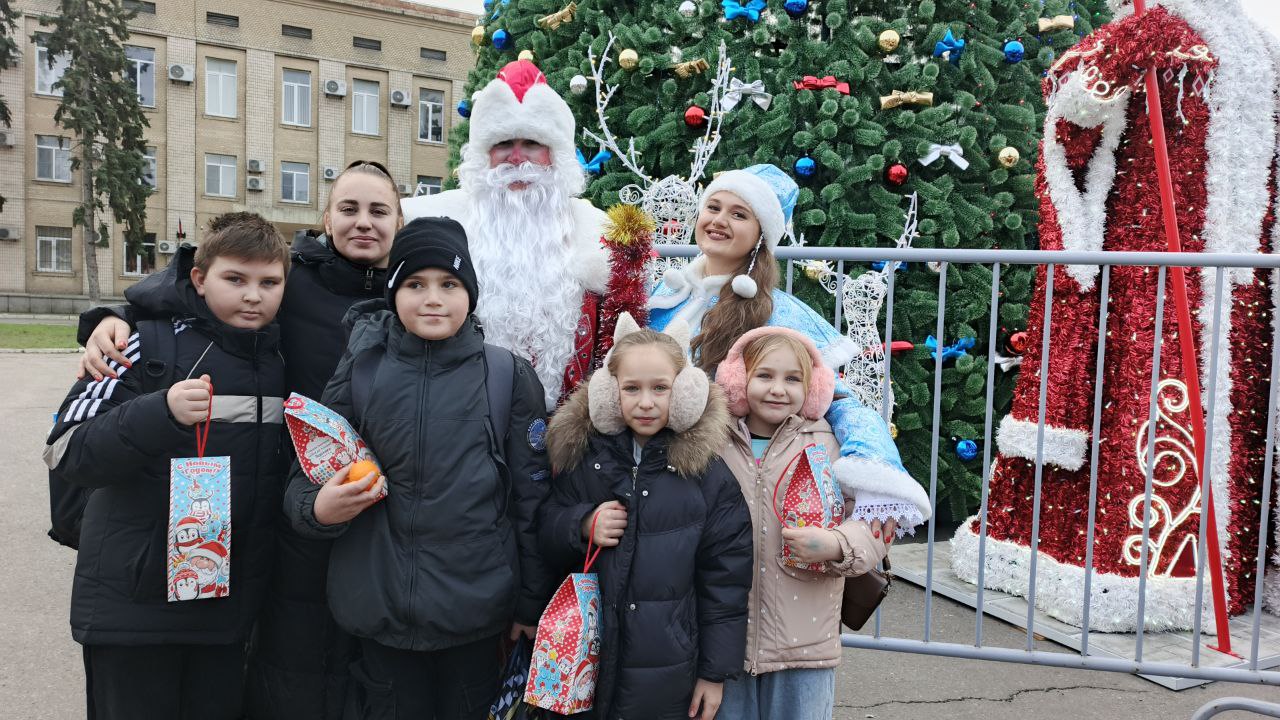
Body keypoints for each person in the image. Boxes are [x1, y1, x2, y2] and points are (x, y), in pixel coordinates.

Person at [75, 160, 406, 720]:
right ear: (326, 219)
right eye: (348, 209)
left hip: (372, 514)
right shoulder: (292, 283)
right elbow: (191, 291)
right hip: (281, 517)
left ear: (400, 221)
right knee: (288, 669)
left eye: (379, 211)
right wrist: (111, 319)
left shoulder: (415, 290)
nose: (363, 222)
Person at [284, 217, 556, 719]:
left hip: (475, 615)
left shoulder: (506, 376)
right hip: (379, 611)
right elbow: (308, 472)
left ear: (470, 294)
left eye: (449, 284)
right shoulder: (362, 368)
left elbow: (531, 499)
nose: (433, 299)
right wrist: (319, 508)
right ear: (393, 293)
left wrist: (530, 603)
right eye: (415, 284)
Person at [43, 213, 290, 719]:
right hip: (134, 613)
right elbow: (67, 450)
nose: (252, 296)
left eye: (269, 283)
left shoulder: (280, 357)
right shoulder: (137, 342)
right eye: (235, 278)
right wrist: (160, 412)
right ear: (199, 278)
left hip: (226, 616)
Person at [647, 163, 931, 538]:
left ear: (761, 235)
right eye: (713, 207)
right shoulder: (664, 296)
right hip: (650, 470)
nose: (719, 220)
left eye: (739, 214)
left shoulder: (776, 313)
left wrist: (873, 467)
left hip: (719, 481)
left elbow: (836, 399)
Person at [538, 313, 753, 720]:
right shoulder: (586, 459)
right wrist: (581, 524)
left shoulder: (707, 477)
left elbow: (726, 582)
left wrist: (714, 673)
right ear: (609, 391)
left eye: (660, 388)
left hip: (667, 672)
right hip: (585, 664)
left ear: (685, 391)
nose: (646, 402)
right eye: (631, 388)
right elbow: (546, 527)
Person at [403, 60, 646, 410]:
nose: (517, 158)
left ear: (556, 155)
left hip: (571, 425)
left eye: (532, 143)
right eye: (503, 144)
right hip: (465, 418)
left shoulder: (596, 232)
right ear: (484, 156)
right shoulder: (441, 220)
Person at [713, 327, 888, 720]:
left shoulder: (830, 443)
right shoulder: (713, 442)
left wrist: (838, 544)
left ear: (813, 387)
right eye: (764, 375)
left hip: (805, 645)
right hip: (726, 642)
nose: (778, 389)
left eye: (793, 379)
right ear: (738, 381)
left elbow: (875, 519)